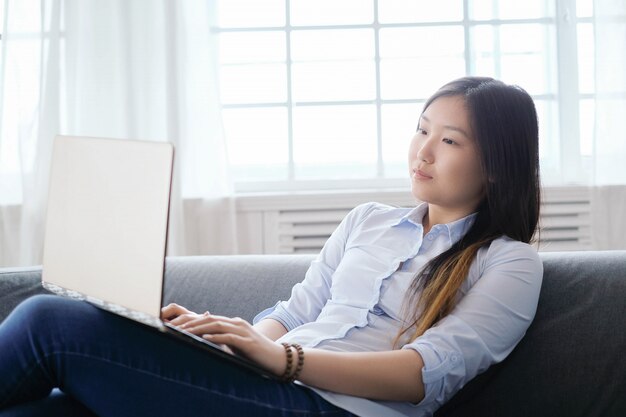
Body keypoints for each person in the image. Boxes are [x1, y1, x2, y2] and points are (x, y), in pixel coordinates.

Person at [0, 76, 543, 417]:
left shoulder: (510, 262)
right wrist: (230, 343)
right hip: (267, 381)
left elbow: (423, 374)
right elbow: (295, 312)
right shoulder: (369, 221)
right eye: (420, 130)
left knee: (50, 322)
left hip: (331, 407)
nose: (421, 152)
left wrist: (285, 361)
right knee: (46, 410)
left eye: (448, 141)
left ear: (496, 166)